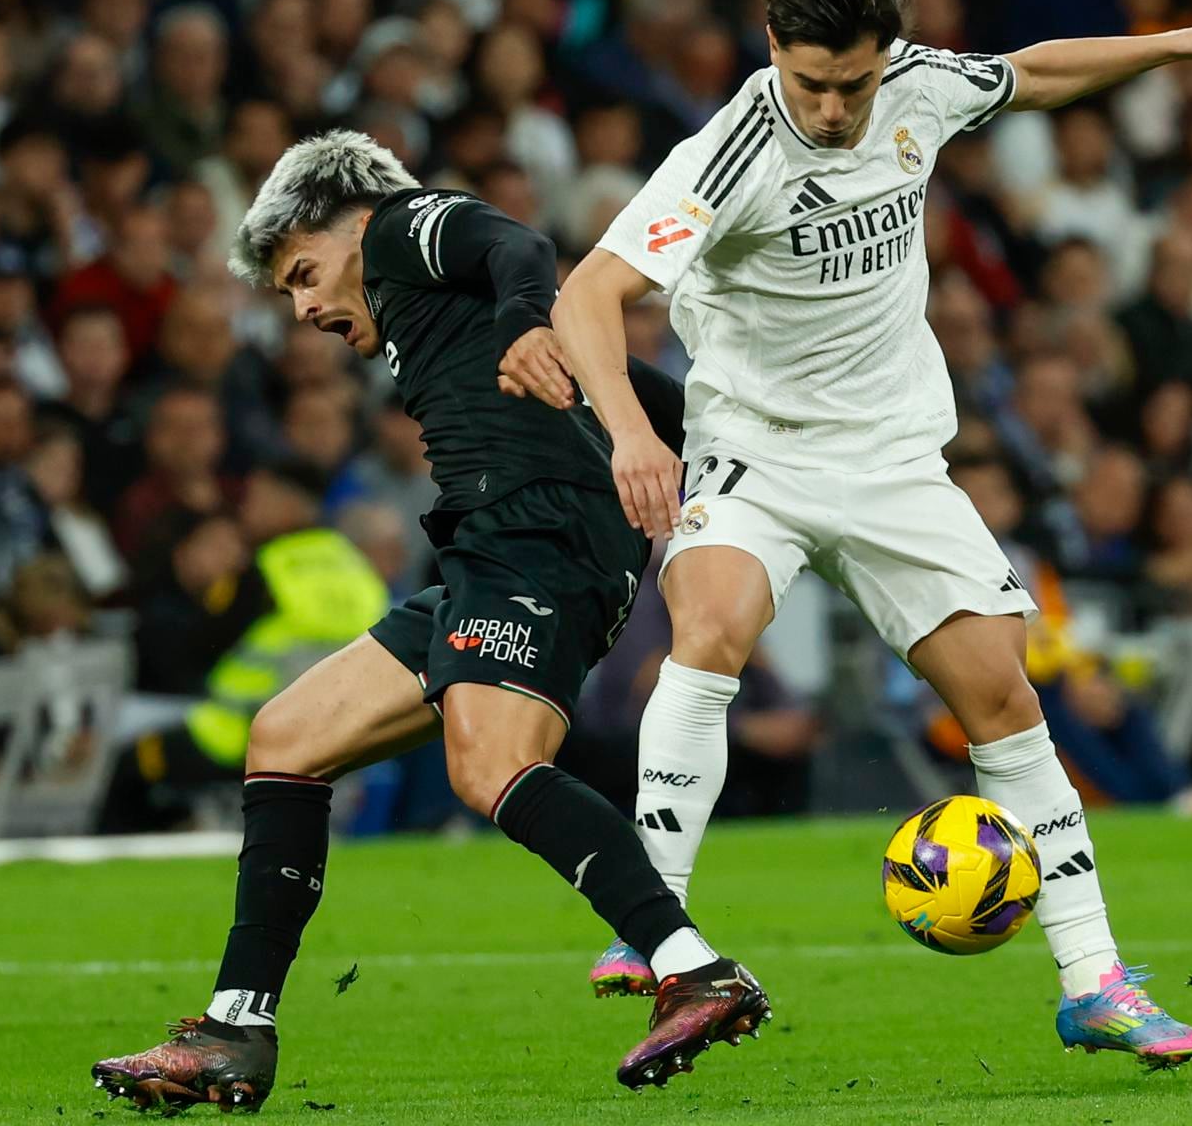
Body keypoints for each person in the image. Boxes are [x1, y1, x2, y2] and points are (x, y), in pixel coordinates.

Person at [553, 0, 1192, 1066]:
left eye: (852, 82)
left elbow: (1032, 73)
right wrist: (633, 433)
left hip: (895, 460)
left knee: (1004, 695)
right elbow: (588, 293)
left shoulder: (919, 86)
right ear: (772, 51)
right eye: (811, 84)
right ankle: (652, 922)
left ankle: (1095, 983)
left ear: (884, 56)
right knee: (710, 629)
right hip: (756, 450)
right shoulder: (728, 154)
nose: (833, 108)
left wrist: (1177, 44)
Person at [89, 132, 769, 1112]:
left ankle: (693, 967)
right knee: (285, 738)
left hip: (535, 535)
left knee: (490, 764)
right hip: (489, 551)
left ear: (349, 222)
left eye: (305, 273)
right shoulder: (442, 311)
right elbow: (641, 390)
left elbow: (518, 246)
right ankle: (237, 1027)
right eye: (287, 293)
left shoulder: (400, 228)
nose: (304, 307)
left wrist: (529, 320)